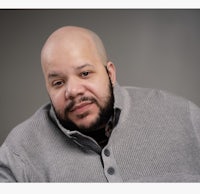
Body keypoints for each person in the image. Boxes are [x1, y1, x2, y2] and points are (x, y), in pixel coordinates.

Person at [0, 26, 200, 182]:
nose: (73, 91)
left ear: (110, 73)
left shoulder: (184, 117)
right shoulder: (19, 153)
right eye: (58, 83)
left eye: (85, 73)